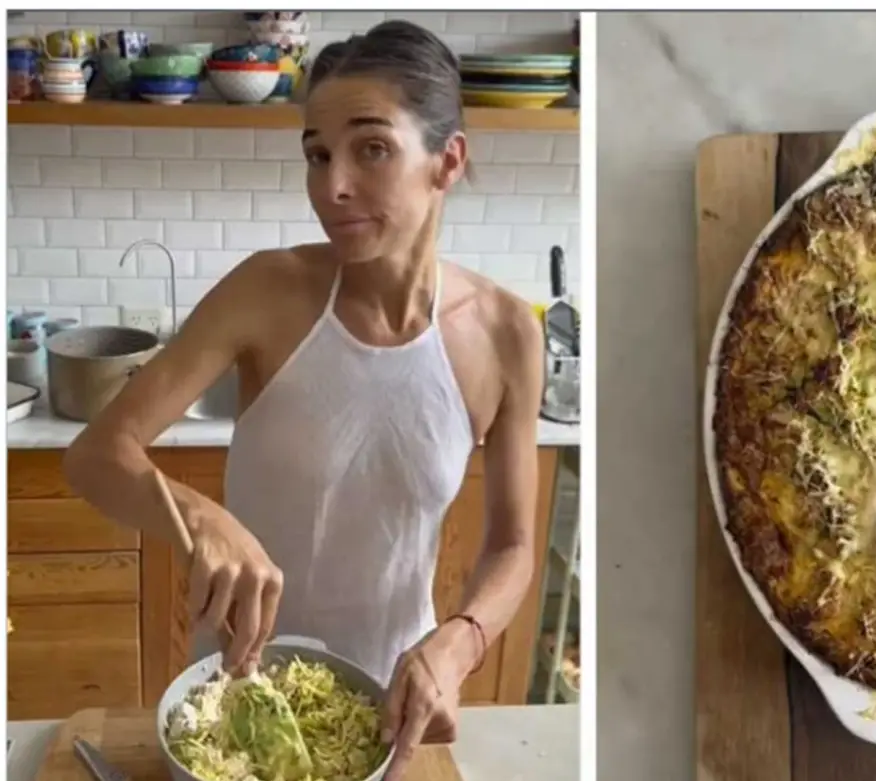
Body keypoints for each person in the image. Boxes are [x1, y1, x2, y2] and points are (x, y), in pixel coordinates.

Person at [64, 20, 545, 780]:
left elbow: (516, 545)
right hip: (232, 703)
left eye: (371, 148)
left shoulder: (509, 334)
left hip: (392, 707)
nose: (333, 185)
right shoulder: (266, 290)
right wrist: (200, 516)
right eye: (317, 154)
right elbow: (95, 455)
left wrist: (461, 641)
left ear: (446, 162)